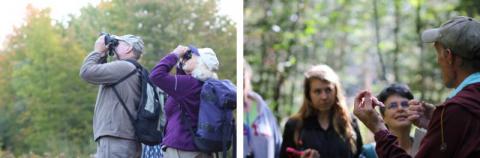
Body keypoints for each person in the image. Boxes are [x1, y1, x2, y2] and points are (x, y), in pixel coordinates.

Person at [353, 16, 480, 158]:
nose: (438, 62)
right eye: (393, 105)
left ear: (448, 56)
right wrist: (437, 122)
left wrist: (378, 129)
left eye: (438, 54)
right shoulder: (461, 108)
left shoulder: (457, 109)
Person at [80, 34, 145, 157]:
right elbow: (100, 74)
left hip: (116, 139)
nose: (113, 45)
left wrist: (98, 51)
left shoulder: (124, 67)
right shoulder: (132, 69)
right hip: (123, 138)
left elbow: (86, 72)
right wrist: (103, 55)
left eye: (118, 43)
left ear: (128, 48)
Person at [149, 45, 219, 158]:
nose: (186, 58)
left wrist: (175, 55)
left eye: (191, 56)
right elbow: (178, 92)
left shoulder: (189, 84)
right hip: (200, 147)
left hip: (182, 149)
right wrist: (181, 64)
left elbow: (156, 75)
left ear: (201, 62)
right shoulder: (204, 85)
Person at [280, 64, 363, 158]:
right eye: (317, 91)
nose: (324, 97)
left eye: (328, 90)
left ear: (336, 91)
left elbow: (360, 154)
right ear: (308, 94)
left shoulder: (349, 122)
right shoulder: (295, 125)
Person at [359, 84, 426, 158]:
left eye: (405, 104)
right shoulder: (369, 153)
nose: (400, 109)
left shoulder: (426, 146)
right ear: (383, 117)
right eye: (393, 105)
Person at [244, 60, 282, 158]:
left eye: (243, 74)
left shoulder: (262, 108)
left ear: (249, 76)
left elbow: (278, 144)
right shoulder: (231, 109)